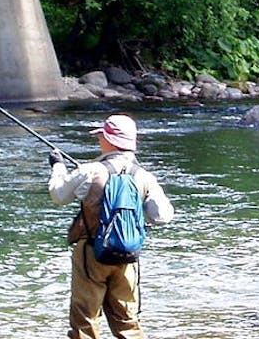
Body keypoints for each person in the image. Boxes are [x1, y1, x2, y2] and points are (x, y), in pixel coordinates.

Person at [48, 114, 174, 339]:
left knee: (85, 322)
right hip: (128, 255)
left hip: (91, 254)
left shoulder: (90, 170)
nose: (99, 141)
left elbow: (59, 195)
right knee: (127, 321)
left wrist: (58, 167)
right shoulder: (144, 177)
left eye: (101, 136)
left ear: (109, 140)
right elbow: (162, 216)